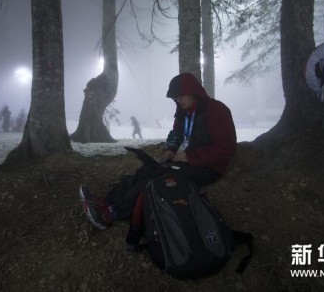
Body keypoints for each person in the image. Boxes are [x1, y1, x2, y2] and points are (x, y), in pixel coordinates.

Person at [79, 72, 237, 230]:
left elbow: (226, 148)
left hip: (208, 167)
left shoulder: (216, 110)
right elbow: (176, 134)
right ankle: (106, 202)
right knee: (146, 169)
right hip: (188, 161)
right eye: (175, 98)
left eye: (180, 96)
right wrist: (170, 149)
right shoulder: (183, 112)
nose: (178, 100)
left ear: (193, 91)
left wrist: (190, 156)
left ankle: (112, 213)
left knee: (156, 178)